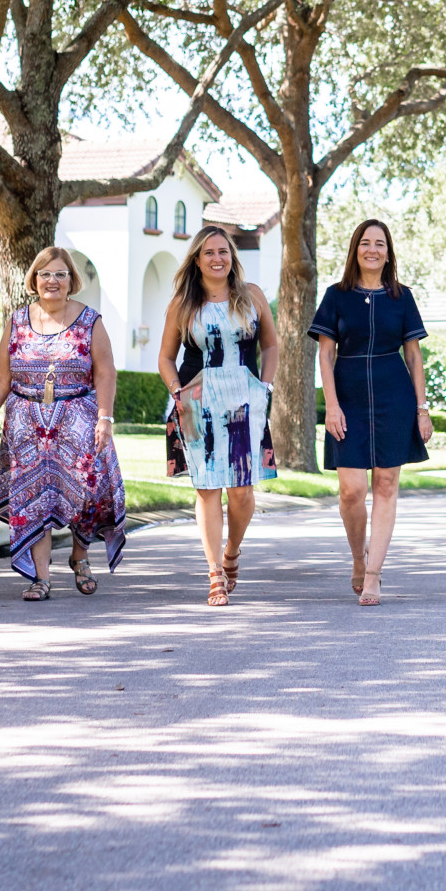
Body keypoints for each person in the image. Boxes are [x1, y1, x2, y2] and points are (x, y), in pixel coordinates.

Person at [0, 247, 127, 601]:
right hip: (27, 427)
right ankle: (41, 578)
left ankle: (80, 554)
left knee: (85, 495)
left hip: (80, 421)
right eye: (45, 274)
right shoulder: (17, 320)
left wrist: (105, 417)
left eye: (60, 274)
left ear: (71, 280)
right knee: (33, 500)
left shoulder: (90, 320)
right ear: (33, 280)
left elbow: (105, 371)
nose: (52, 281)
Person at [311, 220, 433, 606]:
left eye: (380, 244)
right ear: (355, 249)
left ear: (388, 252)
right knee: (352, 491)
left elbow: (413, 355)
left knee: (385, 484)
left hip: (393, 398)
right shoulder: (335, 296)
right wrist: (331, 404)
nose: (373, 250)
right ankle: (358, 558)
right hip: (346, 398)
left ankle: (375, 574)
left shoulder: (402, 297)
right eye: (366, 243)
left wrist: (422, 409)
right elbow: (325, 354)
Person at [158, 225, 279, 607]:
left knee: (242, 491)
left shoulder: (252, 296)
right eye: (209, 252)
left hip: (245, 401)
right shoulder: (182, 303)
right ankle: (214, 574)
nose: (217, 258)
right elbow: (165, 357)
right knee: (207, 488)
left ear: (232, 257)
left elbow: (271, 345)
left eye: (223, 251)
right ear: (197, 259)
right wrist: (178, 390)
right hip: (199, 402)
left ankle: (231, 553)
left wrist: (266, 386)